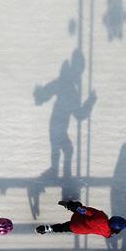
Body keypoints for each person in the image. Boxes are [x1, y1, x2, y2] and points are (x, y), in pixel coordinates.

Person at [33, 49, 97, 179]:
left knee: (66, 149)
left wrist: (40, 96)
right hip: (58, 125)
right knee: (65, 148)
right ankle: (59, 172)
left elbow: (47, 92)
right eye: (79, 71)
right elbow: (79, 115)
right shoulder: (67, 86)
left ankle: (59, 172)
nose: (79, 75)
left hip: (58, 124)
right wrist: (90, 101)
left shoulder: (65, 84)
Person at [35, 200, 126, 238]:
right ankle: (47, 229)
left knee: (79, 206)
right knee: (63, 228)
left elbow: (86, 211)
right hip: (76, 228)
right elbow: (110, 235)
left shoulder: (102, 217)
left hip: (78, 217)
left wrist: (77, 207)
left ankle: (69, 205)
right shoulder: (107, 232)